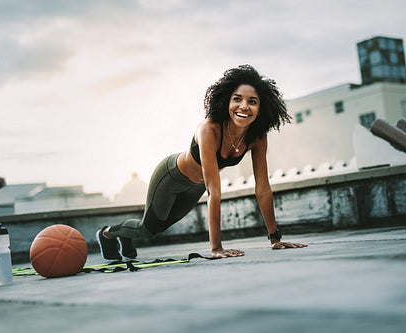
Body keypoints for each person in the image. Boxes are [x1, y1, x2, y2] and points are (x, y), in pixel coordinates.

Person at [96, 64, 307, 262]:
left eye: (252, 101)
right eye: (237, 99)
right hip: (170, 177)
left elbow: (262, 187)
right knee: (148, 229)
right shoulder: (210, 129)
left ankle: (126, 236)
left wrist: (275, 239)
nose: (244, 106)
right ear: (227, 102)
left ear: (260, 109)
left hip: (193, 187)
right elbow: (213, 190)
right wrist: (216, 248)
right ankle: (107, 233)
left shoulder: (257, 137)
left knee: (160, 226)